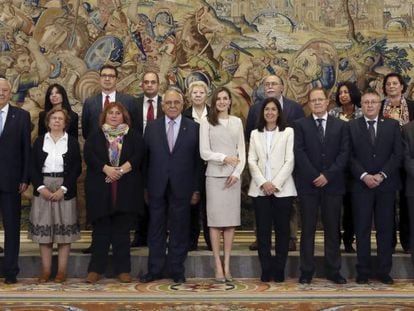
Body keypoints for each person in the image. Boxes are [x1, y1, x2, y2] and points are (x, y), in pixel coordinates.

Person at [140, 88, 201, 284]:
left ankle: (176, 269)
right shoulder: (152, 127)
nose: (172, 106)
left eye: (176, 103)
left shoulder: (194, 128)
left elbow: (198, 162)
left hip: (183, 186)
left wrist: (196, 188)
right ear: (163, 105)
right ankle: (155, 269)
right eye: (169, 103)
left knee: (179, 228)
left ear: (182, 105)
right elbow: (145, 160)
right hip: (156, 186)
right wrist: (145, 188)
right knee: (155, 228)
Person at [84, 102, 145, 284]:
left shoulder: (134, 136)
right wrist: (107, 169)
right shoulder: (95, 136)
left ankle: (123, 270)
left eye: (118, 113)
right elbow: (90, 156)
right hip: (101, 188)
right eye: (111, 113)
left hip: (125, 189)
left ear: (124, 116)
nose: (114, 116)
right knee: (101, 232)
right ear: (105, 116)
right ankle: (95, 270)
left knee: (122, 233)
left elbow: (139, 155)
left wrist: (120, 171)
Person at [294, 87, 349, 285]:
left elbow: (344, 154)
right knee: (307, 230)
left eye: (320, 100)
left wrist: (327, 175)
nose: (317, 103)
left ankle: (333, 270)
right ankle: (306, 271)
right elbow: (299, 153)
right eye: (313, 100)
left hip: (333, 186)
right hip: (308, 186)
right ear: (309, 104)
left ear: (328, 102)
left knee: (332, 230)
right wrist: (315, 175)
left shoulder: (341, 126)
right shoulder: (300, 125)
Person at [81, 64, 138, 254]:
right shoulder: (90, 103)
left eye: (111, 76)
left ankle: (121, 250)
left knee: (121, 215)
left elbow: (134, 132)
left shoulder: (128, 101)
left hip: (124, 170)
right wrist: (103, 165)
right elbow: (87, 133)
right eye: (104, 75)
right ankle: (97, 247)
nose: (107, 79)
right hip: (100, 170)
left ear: (116, 79)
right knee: (100, 211)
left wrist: (122, 168)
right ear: (99, 78)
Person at [245, 74, 304, 252]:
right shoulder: (256, 109)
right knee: (261, 203)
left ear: (282, 87)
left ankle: (291, 237)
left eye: (274, 84)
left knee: (289, 204)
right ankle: (260, 238)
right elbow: (250, 134)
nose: (270, 86)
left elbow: (300, 134)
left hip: (288, 165)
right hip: (262, 167)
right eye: (267, 84)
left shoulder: (294, 108)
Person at [349, 89, 402, 285]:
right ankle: (362, 271)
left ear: (380, 105)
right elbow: (350, 156)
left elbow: (397, 155)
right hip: (361, 186)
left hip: (385, 186)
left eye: (373, 102)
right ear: (361, 105)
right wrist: (364, 176)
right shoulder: (352, 127)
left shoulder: (392, 125)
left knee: (385, 230)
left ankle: (383, 271)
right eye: (366, 102)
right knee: (362, 230)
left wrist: (381, 175)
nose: (370, 105)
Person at [29, 107, 81, 283]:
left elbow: (76, 168)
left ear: (65, 123)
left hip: (64, 189)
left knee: (64, 234)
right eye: (54, 118)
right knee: (45, 234)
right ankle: (45, 271)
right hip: (43, 188)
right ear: (48, 122)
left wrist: (63, 189)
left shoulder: (72, 142)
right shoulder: (39, 141)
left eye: (60, 119)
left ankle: (61, 272)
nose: (57, 121)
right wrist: (41, 187)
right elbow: (32, 167)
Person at [248, 97, 296, 282]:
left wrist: (275, 183)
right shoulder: (254, 134)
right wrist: (263, 183)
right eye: (266, 109)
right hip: (260, 190)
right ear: (262, 113)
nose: (270, 112)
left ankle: (279, 269)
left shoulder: (288, 132)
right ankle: (266, 269)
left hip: (282, 190)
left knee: (283, 232)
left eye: (273, 109)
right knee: (263, 232)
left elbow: (289, 160)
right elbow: (251, 160)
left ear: (278, 112)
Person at [200, 86, 245, 282]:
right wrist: (224, 158)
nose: (222, 102)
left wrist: (236, 173)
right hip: (214, 177)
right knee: (216, 223)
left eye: (225, 98)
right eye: (218, 99)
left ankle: (227, 265)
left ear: (229, 101)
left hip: (233, 178)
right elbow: (204, 152)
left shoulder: (236, 122)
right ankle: (217, 264)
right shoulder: (206, 122)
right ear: (214, 101)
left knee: (230, 224)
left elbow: (242, 152)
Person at [0, 77, 31, 284]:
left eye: (5, 90)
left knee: (12, 228)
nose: (1, 93)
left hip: (11, 181)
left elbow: (26, 150)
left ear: (10, 92)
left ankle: (10, 271)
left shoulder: (21, 116)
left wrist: (24, 178)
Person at [381, 72, 414, 253]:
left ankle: (408, 242)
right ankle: (390, 241)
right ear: (384, 88)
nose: (392, 86)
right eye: (388, 84)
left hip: (407, 162)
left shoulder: (412, 106)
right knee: (388, 204)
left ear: (402, 86)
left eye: (395, 83)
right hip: (387, 162)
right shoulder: (379, 107)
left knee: (407, 203)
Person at [131, 71, 164, 248]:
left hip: (160, 156)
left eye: (153, 82)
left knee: (159, 196)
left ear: (158, 85)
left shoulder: (166, 104)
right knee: (139, 196)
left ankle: (158, 233)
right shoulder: (133, 104)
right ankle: (140, 234)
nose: (150, 85)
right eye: (146, 82)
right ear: (141, 85)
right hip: (138, 157)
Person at [329, 81, 363, 253]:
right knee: (334, 208)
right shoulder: (333, 113)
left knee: (352, 207)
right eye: (340, 92)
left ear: (353, 94)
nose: (343, 95)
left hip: (356, 168)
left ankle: (349, 239)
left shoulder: (362, 113)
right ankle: (335, 240)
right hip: (336, 168)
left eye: (346, 92)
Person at [183, 80, 211, 251]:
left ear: (206, 95)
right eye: (195, 93)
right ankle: (191, 241)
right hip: (191, 166)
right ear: (190, 96)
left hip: (211, 166)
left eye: (201, 92)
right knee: (192, 205)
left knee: (210, 206)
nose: (198, 95)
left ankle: (210, 241)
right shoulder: (184, 115)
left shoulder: (214, 114)